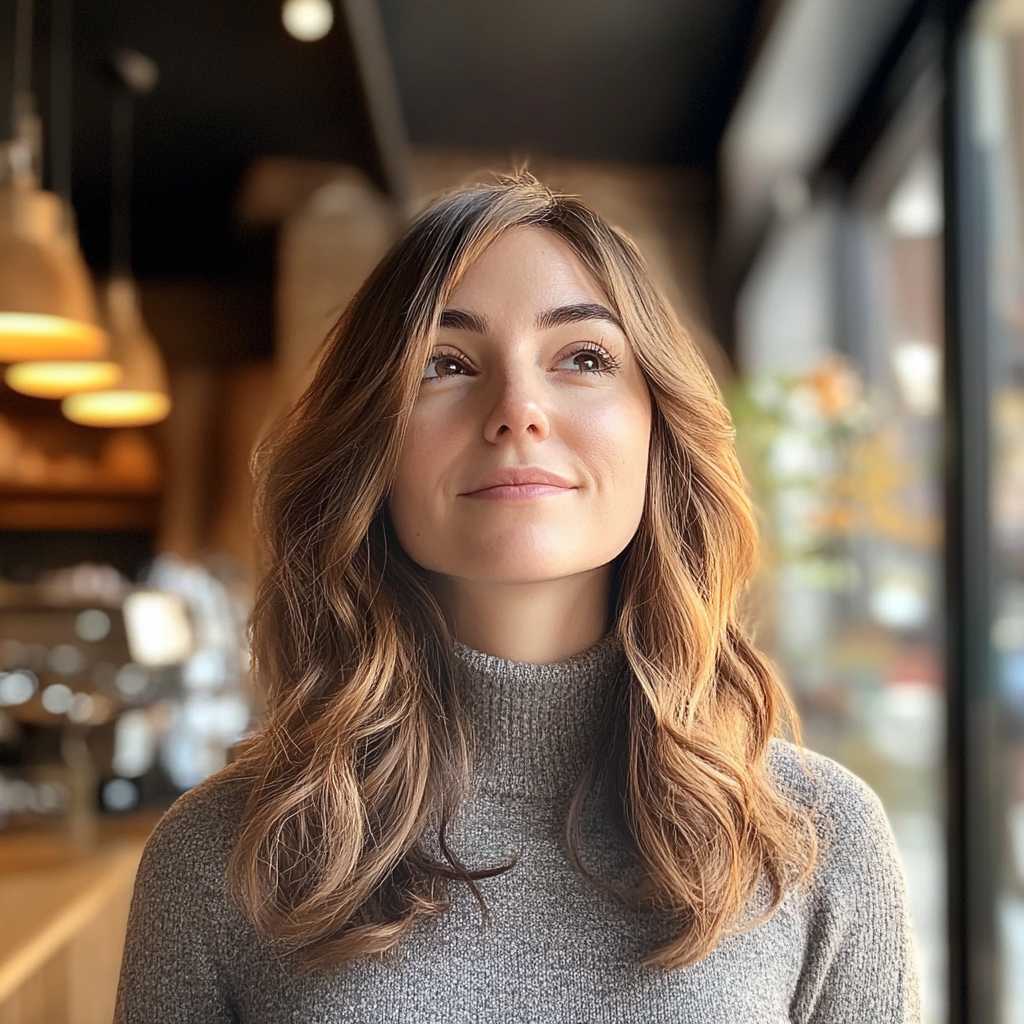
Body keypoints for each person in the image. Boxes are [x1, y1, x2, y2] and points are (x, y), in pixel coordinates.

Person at [113, 173, 922, 1023]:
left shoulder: (816, 841)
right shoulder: (222, 854)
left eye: (583, 358)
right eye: (446, 363)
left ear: (659, 427)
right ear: (372, 449)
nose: (518, 412)